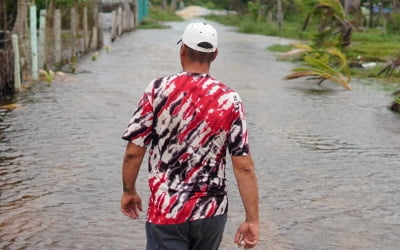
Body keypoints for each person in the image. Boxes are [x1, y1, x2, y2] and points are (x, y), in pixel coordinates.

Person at [121, 22, 259, 249]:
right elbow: (243, 165)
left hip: (167, 209)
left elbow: (134, 152)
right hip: (211, 212)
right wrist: (252, 219)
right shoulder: (230, 99)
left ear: (182, 49)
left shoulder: (157, 90)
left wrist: (129, 191)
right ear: (214, 55)